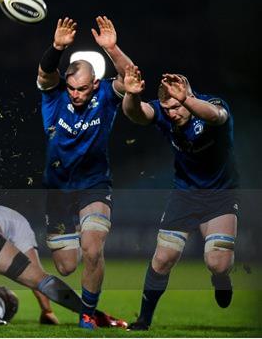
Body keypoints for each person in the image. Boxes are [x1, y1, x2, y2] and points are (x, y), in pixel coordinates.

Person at [36, 16, 136, 329]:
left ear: (94, 85)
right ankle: (85, 302)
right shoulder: (54, 98)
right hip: (58, 189)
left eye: (81, 89)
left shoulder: (105, 97)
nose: (75, 94)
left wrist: (113, 48)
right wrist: (56, 48)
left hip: (94, 184)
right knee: (66, 266)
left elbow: (129, 76)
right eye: (71, 88)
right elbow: (45, 73)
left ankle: (87, 314)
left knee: (93, 249)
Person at [121, 66, 239, 330]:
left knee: (216, 263)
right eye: (168, 109)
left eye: (177, 106)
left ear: (188, 95)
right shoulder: (166, 113)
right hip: (184, 194)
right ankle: (144, 319)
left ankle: (221, 279)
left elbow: (218, 117)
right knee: (162, 259)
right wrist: (131, 95)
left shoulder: (212, 105)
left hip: (220, 194)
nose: (172, 113)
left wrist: (186, 99)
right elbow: (138, 114)